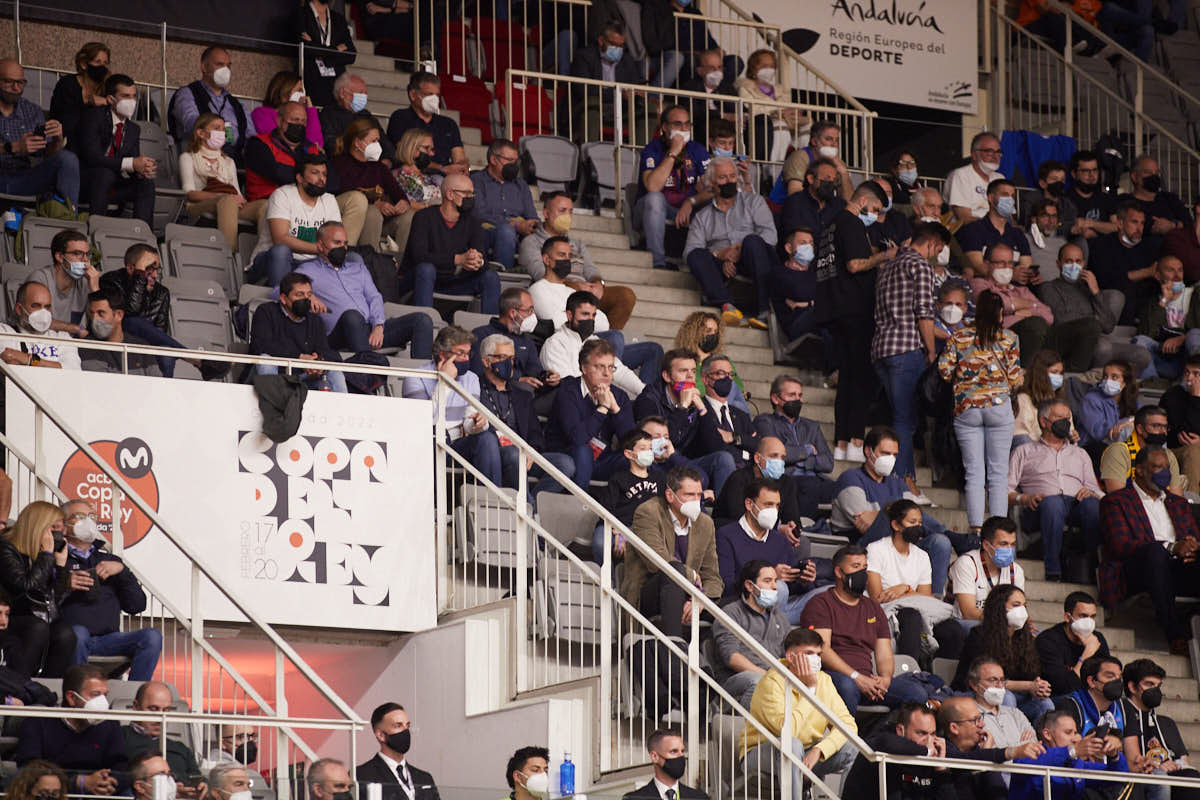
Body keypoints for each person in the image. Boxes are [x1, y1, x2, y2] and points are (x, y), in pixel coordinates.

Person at [800, 545, 932, 713]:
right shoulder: (821, 604)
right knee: (848, 687)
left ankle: (877, 736)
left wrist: (884, 679)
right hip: (833, 678)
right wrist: (857, 677)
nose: (862, 573)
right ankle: (845, 739)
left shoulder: (873, 608)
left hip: (867, 680)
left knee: (916, 693)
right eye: (855, 567)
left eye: (864, 568)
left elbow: (884, 654)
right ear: (839, 572)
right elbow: (822, 650)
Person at [830, 426, 959, 594]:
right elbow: (866, 526)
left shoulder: (897, 482)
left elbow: (913, 517)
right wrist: (889, 512)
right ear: (868, 451)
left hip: (900, 542)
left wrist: (887, 515)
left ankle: (933, 601)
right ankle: (954, 537)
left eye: (895, 455)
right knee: (893, 508)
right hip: (861, 547)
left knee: (940, 542)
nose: (891, 459)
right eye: (885, 453)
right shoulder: (850, 478)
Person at [814, 180, 891, 461]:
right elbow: (855, 264)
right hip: (855, 310)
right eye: (876, 209)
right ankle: (857, 442)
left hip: (835, 309)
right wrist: (886, 255)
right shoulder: (851, 222)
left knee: (847, 378)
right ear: (863, 202)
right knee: (859, 378)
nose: (876, 216)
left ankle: (842, 443)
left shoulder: (831, 224)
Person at [871, 222, 952, 489]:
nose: (937, 253)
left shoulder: (888, 266)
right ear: (931, 243)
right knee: (905, 420)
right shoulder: (921, 266)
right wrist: (930, 349)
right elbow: (924, 313)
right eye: (938, 248)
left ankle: (897, 480)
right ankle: (905, 482)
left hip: (881, 349)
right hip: (906, 350)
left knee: (898, 416)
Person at [1099, 446, 1200, 653]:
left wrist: (1192, 547)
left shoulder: (1178, 503)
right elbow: (1120, 545)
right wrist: (1171, 547)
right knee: (1156, 553)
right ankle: (1175, 635)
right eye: (1157, 467)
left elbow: (1193, 536)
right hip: (1137, 570)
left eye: (1166, 468)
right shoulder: (1116, 501)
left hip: (1179, 567)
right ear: (1139, 471)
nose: (1164, 473)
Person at [740, 627, 859, 795]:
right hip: (760, 752)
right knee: (793, 745)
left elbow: (848, 725)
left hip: (807, 752)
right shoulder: (772, 681)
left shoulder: (824, 681)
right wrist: (809, 690)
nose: (816, 659)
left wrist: (820, 750)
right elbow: (788, 731)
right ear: (791, 657)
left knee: (852, 747)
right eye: (809, 653)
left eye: (818, 654)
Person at [938, 290, 1021, 530]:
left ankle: (975, 530)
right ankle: (998, 530)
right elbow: (1014, 378)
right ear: (1000, 313)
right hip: (998, 408)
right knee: (998, 473)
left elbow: (944, 372)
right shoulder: (1010, 338)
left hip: (967, 408)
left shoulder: (959, 336)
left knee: (973, 473)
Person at [295, 221, 433, 360]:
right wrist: (307, 296)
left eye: (345, 243)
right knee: (352, 316)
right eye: (337, 243)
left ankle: (423, 379)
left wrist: (378, 325)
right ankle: (370, 373)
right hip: (338, 334)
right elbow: (279, 292)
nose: (342, 248)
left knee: (422, 320)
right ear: (320, 245)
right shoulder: (308, 270)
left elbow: (374, 297)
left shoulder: (358, 268)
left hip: (370, 330)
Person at [58, 499, 158, 678]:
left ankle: (138, 699)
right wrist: (64, 584)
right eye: (79, 516)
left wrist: (123, 572)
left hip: (109, 639)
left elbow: (137, 606)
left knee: (152, 637)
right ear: (63, 526)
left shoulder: (111, 560)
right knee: (78, 633)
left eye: (92, 517)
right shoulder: (56, 557)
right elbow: (41, 600)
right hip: (71, 637)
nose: (87, 522)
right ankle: (79, 692)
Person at [1008, 399, 1104, 582]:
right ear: (1044, 422)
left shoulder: (1080, 454)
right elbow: (1005, 491)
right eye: (1060, 418)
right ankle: (1053, 570)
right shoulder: (1024, 451)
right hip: (1039, 507)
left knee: (1093, 506)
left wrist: (1092, 493)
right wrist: (1024, 498)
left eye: (1068, 418)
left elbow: (1097, 491)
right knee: (1053, 503)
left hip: (1075, 504)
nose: (1066, 423)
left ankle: (1088, 565)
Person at [622, 465, 722, 638]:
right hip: (650, 594)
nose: (696, 500)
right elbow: (656, 562)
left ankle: (706, 663)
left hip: (689, 595)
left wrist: (698, 601)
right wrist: (690, 575)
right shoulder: (648, 512)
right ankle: (674, 653)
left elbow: (712, 576)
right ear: (670, 495)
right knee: (674, 571)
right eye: (689, 495)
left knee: (733, 606)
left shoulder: (705, 524)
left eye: (699, 495)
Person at [517, 191, 637, 329]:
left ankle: (607, 340)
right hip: (558, 294)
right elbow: (540, 273)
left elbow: (590, 268)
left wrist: (598, 283)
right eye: (562, 210)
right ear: (546, 213)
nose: (567, 216)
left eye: (570, 211)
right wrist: (574, 287)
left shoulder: (577, 243)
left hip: (585, 291)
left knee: (625, 296)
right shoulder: (531, 242)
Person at [866, 499, 965, 662]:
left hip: (919, 609)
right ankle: (911, 675)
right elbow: (878, 597)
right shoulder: (876, 549)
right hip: (888, 611)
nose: (918, 527)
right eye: (912, 522)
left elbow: (925, 598)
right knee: (911, 616)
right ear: (896, 525)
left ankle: (940, 678)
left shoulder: (922, 556)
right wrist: (912, 593)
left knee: (953, 629)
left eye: (920, 522)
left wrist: (904, 589)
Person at [684, 156, 777, 328]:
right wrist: (720, 255)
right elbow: (690, 250)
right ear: (712, 183)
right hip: (721, 266)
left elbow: (771, 236)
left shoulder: (754, 202)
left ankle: (764, 311)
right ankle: (728, 306)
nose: (729, 181)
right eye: (722, 177)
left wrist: (738, 250)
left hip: (753, 259)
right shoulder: (702, 217)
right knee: (696, 255)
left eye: (732, 176)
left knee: (752, 242)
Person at [402, 326, 502, 486]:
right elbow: (423, 422)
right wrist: (444, 384)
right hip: (426, 443)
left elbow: (469, 425)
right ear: (443, 354)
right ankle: (431, 505)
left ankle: (489, 502)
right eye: (461, 353)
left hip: (457, 445)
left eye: (468, 353)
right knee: (436, 433)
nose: (466, 358)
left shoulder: (471, 378)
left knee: (487, 439)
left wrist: (478, 423)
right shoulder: (416, 378)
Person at [478, 333, 574, 494]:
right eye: (502, 357)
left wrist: (532, 451)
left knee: (565, 464)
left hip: (523, 454)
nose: (509, 363)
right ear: (486, 361)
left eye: (512, 358)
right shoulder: (475, 389)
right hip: (494, 453)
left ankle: (533, 505)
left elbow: (535, 432)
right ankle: (526, 507)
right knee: (514, 454)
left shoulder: (522, 395)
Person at [634, 348, 737, 494]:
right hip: (656, 462)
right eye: (683, 371)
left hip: (682, 460)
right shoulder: (648, 400)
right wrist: (682, 407)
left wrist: (703, 410)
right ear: (667, 376)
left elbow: (717, 446)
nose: (690, 376)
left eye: (693, 371)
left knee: (724, 459)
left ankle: (722, 515)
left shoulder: (696, 401)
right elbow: (667, 441)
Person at [15, 663, 126, 793]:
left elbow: (121, 766)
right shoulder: (37, 722)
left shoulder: (110, 725)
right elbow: (29, 770)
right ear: (72, 698)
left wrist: (108, 781)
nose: (103, 702)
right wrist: (80, 782)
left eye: (105, 695)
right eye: (95, 695)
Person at [1039, 242, 1148, 374]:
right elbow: (1063, 320)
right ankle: (1093, 383)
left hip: (1096, 339)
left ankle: (1120, 387)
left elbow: (1108, 326)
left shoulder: (1088, 288)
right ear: (1058, 264)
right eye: (1069, 261)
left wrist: (1096, 292)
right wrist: (1093, 321)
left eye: (1078, 261)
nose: (1074, 266)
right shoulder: (1049, 288)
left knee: (1142, 354)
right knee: (1103, 347)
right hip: (1072, 343)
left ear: (1083, 264)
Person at [951, 584, 1054, 723]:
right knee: (1006, 697)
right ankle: (1007, 742)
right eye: (1016, 605)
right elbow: (989, 681)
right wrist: (1029, 686)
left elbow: (1030, 674)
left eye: (1024, 606)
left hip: (1013, 696)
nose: (1022, 610)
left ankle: (1042, 744)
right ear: (999, 607)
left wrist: (1038, 686)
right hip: (976, 693)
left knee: (1045, 703)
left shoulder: (1025, 638)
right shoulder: (979, 635)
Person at [403, 172, 501, 314]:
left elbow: (483, 259)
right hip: (423, 280)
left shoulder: (473, 223)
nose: (471, 198)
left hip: (456, 281)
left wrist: (476, 261)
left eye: (472, 194)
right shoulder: (423, 217)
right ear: (449, 194)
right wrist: (458, 259)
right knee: (426, 269)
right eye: (466, 193)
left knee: (491, 276)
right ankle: (424, 322)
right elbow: (419, 256)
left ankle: (491, 331)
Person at [544, 338, 635, 489]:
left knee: (633, 458)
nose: (607, 374)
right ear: (584, 368)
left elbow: (632, 443)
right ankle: (579, 505)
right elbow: (577, 438)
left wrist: (615, 409)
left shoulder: (619, 396)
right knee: (583, 450)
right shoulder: (568, 391)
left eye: (611, 367)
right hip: (567, 456)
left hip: (601, 460)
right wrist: (602, 409)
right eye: (600, 367)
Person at [634, 105, 712, 274]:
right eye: (677, 124)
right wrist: (673, 153)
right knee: (655, 198)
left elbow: (712, 188)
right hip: (651, 209)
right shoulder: (652, 149)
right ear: (664, 127)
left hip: (686, 209)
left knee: (714, 202)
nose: (683, 129)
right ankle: (658, 262)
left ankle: (705, 263)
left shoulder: (697, 150)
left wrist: (691, 202)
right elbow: (653, 187)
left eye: (687, 124)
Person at [0, 501, 74, 677]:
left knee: (66, 634)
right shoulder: (6, 549)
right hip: (14, 615)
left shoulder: (41, 554)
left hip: (38, 617)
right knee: (37, 627)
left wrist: (61, 567)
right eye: (53, 527)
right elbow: (25, 588)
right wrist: (46, 556)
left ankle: (47, 689)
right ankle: (18, 685)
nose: (59, 534)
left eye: (61, 528)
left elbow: (54, 600)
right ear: (38, 526)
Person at [714, 480, 815, 610]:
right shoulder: (725, 536)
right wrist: (771, 577)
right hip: (742, 607)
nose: (774, 511)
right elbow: (726, 587)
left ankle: (775, 624)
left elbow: (793, 587)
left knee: (825, 595)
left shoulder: (780, 541)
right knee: (781, 589)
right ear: (749, 504)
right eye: (768, 505)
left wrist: (804, 580)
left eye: (777, 505)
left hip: (780, 607)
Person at [248, 152, 344, 287]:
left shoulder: (329, 200)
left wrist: (331, 250)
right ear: (299, 177)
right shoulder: (282, 195)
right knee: (281, 251)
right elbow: (280, 239)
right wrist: (322, 249)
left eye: (324, 174)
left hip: (314, 263)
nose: (321, 178)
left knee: (354, 259)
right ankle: (279, 301)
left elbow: (337, 240)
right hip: (275, 261)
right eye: (315, 173)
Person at [71, 72, 155, 224]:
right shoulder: (93, 117)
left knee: (145, 183)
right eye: (126, 96)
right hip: (84, 183)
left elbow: (132, 162)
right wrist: (131, 163)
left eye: (134, 96)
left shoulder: (133, 129)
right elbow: (93, 158)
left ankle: (144, 236)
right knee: (105, 173)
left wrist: (143, 168)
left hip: (111, 186)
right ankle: (97, 229)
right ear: (110, 99)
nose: (132, 101)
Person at [968, 242, 1067, 364]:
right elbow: (994, 305)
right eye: (1001, 263)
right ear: (987, 264)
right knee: (1035, 324)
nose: (1007, 267)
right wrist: (1020, 312)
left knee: (1085, 327)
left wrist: (1025, 308)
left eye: (1010, 263)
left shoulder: (1022, 290)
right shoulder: (979, 284)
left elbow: (1048, 316)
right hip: (996, 341)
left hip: (1027, 339)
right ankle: (1026, 373)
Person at [540, 287, 649, 397]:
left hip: (599, 397)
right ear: (569, 315)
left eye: (593, 315)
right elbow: (570, 385)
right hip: (573, 403)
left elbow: (620, 371)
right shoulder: (555, 344)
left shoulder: (595, 341)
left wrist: (645, 391)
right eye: (585, 314)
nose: (590, 319)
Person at [250, 270, 348, 393]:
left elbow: (326, 351)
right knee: (265, 361)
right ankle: (272, 407)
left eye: (309, 295)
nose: (306, 299)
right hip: (277, 377)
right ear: (284, 299)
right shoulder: (266, 312)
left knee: (334, 371)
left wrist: (317, 363)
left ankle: (342, 411)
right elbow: (260, 345)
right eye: (299, 295)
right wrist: (299, 358)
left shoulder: (315, 320)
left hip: (304, 378)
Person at [179, 113, 263, 253]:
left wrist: (238, 199)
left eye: (223, 129)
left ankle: (260, 254)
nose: (222, 133)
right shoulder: (187, 157)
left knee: (264, 205)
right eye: (217, 128)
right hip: (198, 206)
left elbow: (236, 192)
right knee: (228, 200)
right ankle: (229, 254)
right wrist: (221, 196)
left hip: (229, 203)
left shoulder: (229, 162)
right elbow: (190, 194)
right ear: (200, 133)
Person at [712, 559, 791, 708]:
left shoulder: (780, 617)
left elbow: (789, 654)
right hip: (736, 681)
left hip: (773, 680)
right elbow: (732, 657)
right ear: (749, 586)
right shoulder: (731, 612)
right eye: (767, 581)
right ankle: (750, 731)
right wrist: (770, 677)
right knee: (758, 680)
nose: (774, 587)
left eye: (775, 581)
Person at [0, 58, 79, 204]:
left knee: (68, 158)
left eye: (20, 82)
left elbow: (47, 154)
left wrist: (57, 140)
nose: (16, 88)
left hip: (24, 177)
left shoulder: (32, 111)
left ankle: (67, 220)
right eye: (9, 82)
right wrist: (13, 147)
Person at [1121, 658, 1200, 800]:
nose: (1155, 690)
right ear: (1132, 687)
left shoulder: (1167, 723)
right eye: (1149, 684)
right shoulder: (1120, 716)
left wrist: (1176, 765)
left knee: (1192, 779)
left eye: (1158, 686)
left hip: (1174, 779)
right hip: (1145, 779)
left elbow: (1184, 762)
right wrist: (1159, 767)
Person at [1009, 709, 1129, 800]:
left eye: (1076, 732)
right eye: (1068, 732)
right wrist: (1073, 751)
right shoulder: (1027, 755)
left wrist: (1114, 755)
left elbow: (1118, 777)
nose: (1075, 738)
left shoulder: (1077, 764)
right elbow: (1026, 763)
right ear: (1047, 734)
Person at [841, 703, 950, 800]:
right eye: (921, 733)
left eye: (933, 734)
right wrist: (927, 752)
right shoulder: (880, 746)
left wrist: (940, 768)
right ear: (900, 730)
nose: (929, 741)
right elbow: (886, 742)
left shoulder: (933, 754)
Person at [938, 695, 1039, 800]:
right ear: (954, 728)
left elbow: (999, 795)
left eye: (980, 718)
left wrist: (988, 758)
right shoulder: (941, 750)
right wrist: (1011, 752)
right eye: (975, 720)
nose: (982, 724)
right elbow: (962, 759)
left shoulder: (980, 752)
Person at [331, 118, 410, 248]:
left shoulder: (379, 167)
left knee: (409, 215)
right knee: (372, 212)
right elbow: (347, 192)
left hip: (384, 221)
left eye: (378, 140)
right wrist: (376, 204)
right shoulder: (339, 163)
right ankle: (369, 261)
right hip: (353, 217)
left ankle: (399, 264)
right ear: (357, 143)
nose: (378, 145)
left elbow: (398, 192)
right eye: (373, 141)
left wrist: (403, 202)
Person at [590, 429, 665, 563]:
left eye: (650, 448)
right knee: (600, 543)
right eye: (643, 448)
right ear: (629, 454)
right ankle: (610, 582)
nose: (649, 452)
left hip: (646, 528)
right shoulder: (618, 479)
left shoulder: (660, 478)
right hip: (617, 525)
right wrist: (618, 531)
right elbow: (607, 510)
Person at [565, 20, 645, 145]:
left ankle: (639, 156)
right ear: (601, 40)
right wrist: (619, 93)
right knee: (592, 102)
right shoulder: (584, 57)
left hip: (618, 110)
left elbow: (634, 86)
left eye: (621, 46)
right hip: (589, 108)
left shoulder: (627, 60)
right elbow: (583, 90)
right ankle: (588, 156)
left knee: (648, 109)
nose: (618, 49)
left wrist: (639, 94)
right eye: (613, 44)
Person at [713, 435, 808, 540]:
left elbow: (793, 519)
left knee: (802, 542)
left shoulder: (787, 483)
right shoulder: (738, 479)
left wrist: (792, 529)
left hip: (768, 536)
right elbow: (739, 519)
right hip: (734, 534)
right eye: (774, 456)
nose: (779, 462)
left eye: (783, 458)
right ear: (757, 458)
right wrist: (777, 528)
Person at [168, 47, 248, 163]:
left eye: (228, 66)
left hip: (233, 164)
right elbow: (193, 123)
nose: (225, 70)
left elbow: (252, 137)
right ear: (204, 67)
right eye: (220, 64)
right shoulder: (187, 94)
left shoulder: (236, 104)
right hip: (198, 161)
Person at [470, 137, 539, 270]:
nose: (514, 165)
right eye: (509, 160)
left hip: (520, 236)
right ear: (493, 159)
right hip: (486, 232)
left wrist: (531, 225)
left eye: (516, 161)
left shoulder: (521, 185)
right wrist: (515, 225)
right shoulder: (476, 181)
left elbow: (532, 216)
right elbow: (479, 214)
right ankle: (504, 277)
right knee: (506, 231)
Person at [1088, 200, 1160, 325]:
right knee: (1126, 290)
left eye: (1142, 223)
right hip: (1113, 301)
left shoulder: (1149, 247)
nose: (1139, 228)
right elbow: (1104, 280)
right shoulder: (1102, 245)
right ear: (1120, 223)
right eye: (1134, 222)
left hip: (1143, 303)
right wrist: (1145, 273)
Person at [385, 72, 467, 176]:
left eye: (437, 95)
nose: (434, 99)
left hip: (446, 179)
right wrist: (442, 169)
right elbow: (406, 155)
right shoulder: (400, 118)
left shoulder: (448, 124)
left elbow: (459, 157)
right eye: (429, 94)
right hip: (412, 175)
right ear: (413, 95)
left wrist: (461, 167)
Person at [469, 288, 553, 390]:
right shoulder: (481, 335)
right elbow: (478, 371)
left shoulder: (526, 340)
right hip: (494, 390)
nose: (532, 315)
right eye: (529, 310)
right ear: (513, 313)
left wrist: (548, 377)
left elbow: (535, 371)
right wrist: (517, 379)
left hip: (527, 393)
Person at [735, 49, 808, 166]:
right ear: (753, 68)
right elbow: (754, 109)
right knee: (780, 125)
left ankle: (803, 163)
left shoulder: (779, 89)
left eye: (772, 66)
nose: (769, 69)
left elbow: (787, 109)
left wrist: (792, 112)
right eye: (764, 66)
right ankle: (773, 166)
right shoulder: (745, 86)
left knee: (807, 124)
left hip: (784, 122)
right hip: (759, 125)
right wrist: (779, 113)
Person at [122, 681, 203, 785]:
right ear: (136, 706)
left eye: (166, 710)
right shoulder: (119, 739)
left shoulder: (181, 749)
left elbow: (197, 780)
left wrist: (200, 787)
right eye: (153, 709)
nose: (160, 717)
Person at [356, 702, 440, 800]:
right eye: (398, 726)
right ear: (380, 735)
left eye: (407, 725)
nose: (405, 731)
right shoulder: (361, 776)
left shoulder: (425, 778)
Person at [1035, 591, 1113, 697]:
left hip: (1091, 696)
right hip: (1059, 698)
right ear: (1068, 617)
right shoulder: (1048, 640)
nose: (1089, 622)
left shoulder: (1097, 639)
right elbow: (1063, 687)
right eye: (1083, 616)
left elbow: (1109, 679)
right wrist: (1086, 655)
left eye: (1093, 617)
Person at [950, 517, 1024, 627]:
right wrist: (1003, 619)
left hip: (1003, 626)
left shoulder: (1016, 570)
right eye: (1003, 544)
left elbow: (1020, 608)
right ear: (986, 545)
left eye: (1012, 544)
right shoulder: (967, 564)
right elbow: (968, 613)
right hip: (967, 625)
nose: (1009, 550)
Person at [673, 311, 750, 412]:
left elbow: (737, 391)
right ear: (694, 333)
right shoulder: (684, 362)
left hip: (725, 407)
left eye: (716, 332)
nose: (713, 335)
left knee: (736, 400)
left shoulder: (723, 361)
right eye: (708, 330)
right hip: (698, 407)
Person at [1133, 255, 1195, 379]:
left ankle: (1191, 381)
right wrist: (1164, 301)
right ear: (1158, 276)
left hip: (1187, 356)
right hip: (1163, 358)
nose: (1177, 275)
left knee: (1193, 337)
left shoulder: (1194, 295)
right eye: (1171, 270)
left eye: (1180, 270)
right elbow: (1146, 334)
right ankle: (1152, 383)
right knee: (1139, 340)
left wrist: (1183, 338)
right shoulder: (1153, 303)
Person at [956, 179, 1032, 277]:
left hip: (1015, 289)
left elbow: (1026, 265)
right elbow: (978, 266)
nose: (1010, 200)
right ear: (991, 198)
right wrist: (1011, 276)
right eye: (1005, 195)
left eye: (1012, 196)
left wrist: (1029, 275)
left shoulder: (1017, 233)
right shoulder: (973, 229)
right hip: (986, 287)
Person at [1100, 405, 1184, 494]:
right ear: (1140, 429)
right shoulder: (1119, 451)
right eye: (1156, 426)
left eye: (1165, 427)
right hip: (1130, 506)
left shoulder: (1168, 455)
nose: (1163, 431)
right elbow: (1117, 497)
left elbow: (1176, 497)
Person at [696, 353, 759, 469]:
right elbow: (713, 446)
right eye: (721, 373)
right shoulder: (699, 409)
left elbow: (756, 444)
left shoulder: (741, 415)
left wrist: (733, 437)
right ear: (705, 379)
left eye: (730, 374)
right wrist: (745, 454)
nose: (727, 379)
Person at [0, 281, 82, 370]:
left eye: (47, 307)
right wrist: (54, 365)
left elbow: (73, 370)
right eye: (36, 306)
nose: (43, 312)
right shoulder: (5, 332)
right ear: (19, 309)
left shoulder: (62, 337)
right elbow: (9, 361)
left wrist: (28, 360)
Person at [29, 228, 98, 332]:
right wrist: (74, 329)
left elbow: (102, 323)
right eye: (77, 253)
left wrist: (95, 289)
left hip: (70, 345)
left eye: (87, 254)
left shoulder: (86, 282)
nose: (85, 260)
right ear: (60, 257)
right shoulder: (40, 279)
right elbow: (35, 319)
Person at [79, 289, 158, 376]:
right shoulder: (86, 346)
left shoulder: (141, 346)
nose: (94, 319)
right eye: (92, 313)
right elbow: (101, 384)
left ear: (119, 315)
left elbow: (156, 383)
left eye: (101, 313)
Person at [966, 657, 1037, 751]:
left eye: (1002, 680)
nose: (999, 685)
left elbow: (1034, 747)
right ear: (974, 685)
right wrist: (1020, 747)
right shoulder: (969, 716)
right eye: (992, 680)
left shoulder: (1015, 713)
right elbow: (984, 753)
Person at [770, 226, 827, 346]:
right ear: (788, 248)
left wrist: (806, 304)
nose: (808, 247)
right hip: (795, 326)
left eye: (811, 243)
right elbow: (800, 292)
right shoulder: (779, 273)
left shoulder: (816, 275)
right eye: (803, 243)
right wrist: (813, 302)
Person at [294, 0, 356, 107]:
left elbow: (351, 55)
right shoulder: (300, 15)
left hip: (336, 86)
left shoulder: (338, 19)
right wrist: (336, 50)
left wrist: (316, 45)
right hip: (311, 82)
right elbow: (306, 48)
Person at [390, 128, 443, 254]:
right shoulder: (397, 175)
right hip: (408, 222)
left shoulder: (431, 178)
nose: (431, 154)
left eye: (432, 149)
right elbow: (404, 203)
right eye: (426, 148)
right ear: (412, 148)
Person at [49, 41, 110, 148]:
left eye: (105, 63)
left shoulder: (107, 88)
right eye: (98, 62)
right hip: (66, 143)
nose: (102, 67)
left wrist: (106, 102)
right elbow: (65, 121)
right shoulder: (67, 84)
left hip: (94, 145)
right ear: (83, 64)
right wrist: (88, 103)